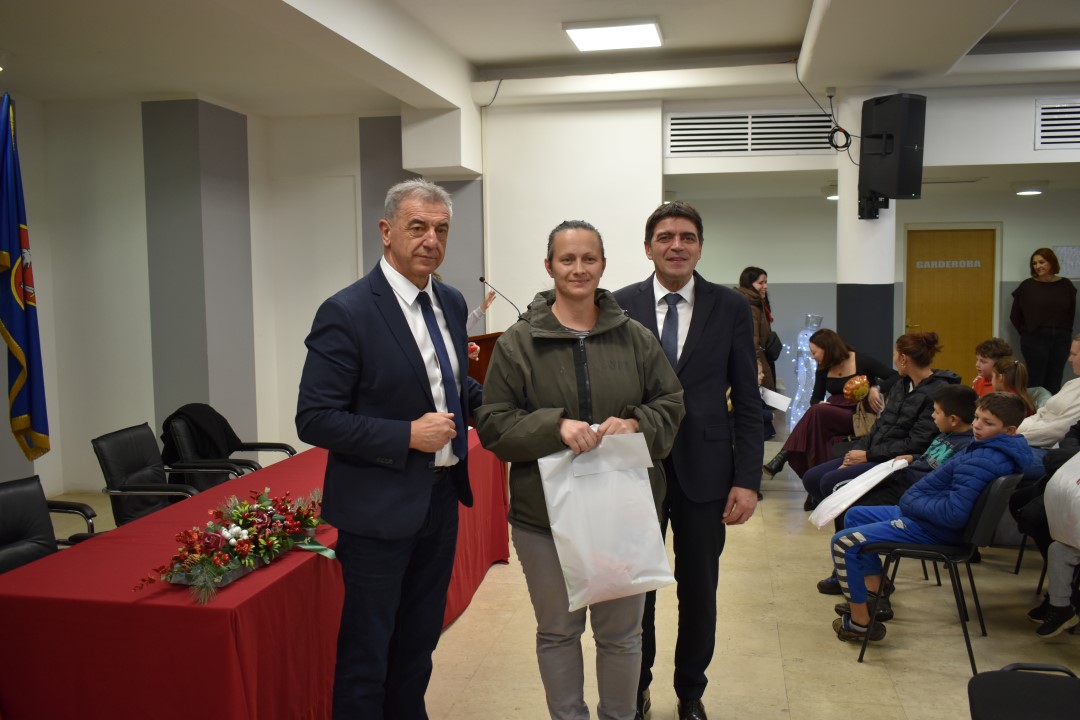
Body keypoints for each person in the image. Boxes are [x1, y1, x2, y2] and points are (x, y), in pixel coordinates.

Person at [476, 220, 685, 720]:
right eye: (567, 259)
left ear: (603, 265)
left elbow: (671, 402)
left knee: (622, 636)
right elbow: (494, 423)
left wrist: (636, 423)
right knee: (558, 632)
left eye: (589, 258)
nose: (578, 269)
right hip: (543, 519)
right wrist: (555, 427)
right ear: (549, 266)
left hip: (623, 513)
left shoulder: (634, 338)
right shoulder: (518, 343)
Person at [295, 179, 483, 719]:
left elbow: (454, 389)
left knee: (418, 642)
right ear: (386, 231)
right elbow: (315, 418)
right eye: (417, 227)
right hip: (377, 509)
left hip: (441, 500)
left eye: (441, 229)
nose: (431, 240)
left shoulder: (449, 301)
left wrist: (517, 411)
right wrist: (405, 435)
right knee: (368, 650)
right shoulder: (347, 311)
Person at [613, 201, 762, 720]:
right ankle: (636, 688)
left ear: (700, 247)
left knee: (700, 591)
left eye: (687, 237)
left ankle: (691, 692)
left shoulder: (730, 306)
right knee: (638, 592)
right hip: (636, 469)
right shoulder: (619, 304)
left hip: (708, 472)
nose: (676, 245)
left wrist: (748, 479)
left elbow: (748, 399)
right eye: (665, 237)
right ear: (648, 247)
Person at [829, 393, 1032, 642]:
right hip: (927, 519)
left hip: (933, 529)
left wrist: (912, 503)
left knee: (843, 543)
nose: (977, 425)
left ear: (1010, 430)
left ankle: (860, 623)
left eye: (988, 423)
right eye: (978, 417)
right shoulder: (987, 449)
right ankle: (875, 592)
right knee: (855, 515)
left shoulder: (984, 460)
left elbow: (954, 513)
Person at [807, 332, 962, 595]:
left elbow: (917, 443)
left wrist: (868, 456)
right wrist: (858, 451)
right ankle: (855, 558)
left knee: (835, 488)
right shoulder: (902, 385)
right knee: (814, 479)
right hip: (877, 453)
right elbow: (881, 426)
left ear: (903, 359)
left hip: (899, 463)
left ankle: (852, 569)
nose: (893, 359)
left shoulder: (936, 392)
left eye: (895, 354)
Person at [833, 384, 977, 533]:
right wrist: (913, 457)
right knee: (842, 496)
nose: (933, 416)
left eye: (937, 412)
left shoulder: (965, 446)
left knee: (848, 509)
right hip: (902, 480)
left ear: (953, 420)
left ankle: (851, 541)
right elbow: (930, 458)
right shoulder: (946, 433)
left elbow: (941, 478)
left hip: (911, 492)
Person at [763, 328, 896, 482]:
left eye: (814, 352)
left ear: (827, 348)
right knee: (816, 425)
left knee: (817, 413)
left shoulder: (861, 360)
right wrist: (820, 404)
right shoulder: (823, 368)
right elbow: (815, 399)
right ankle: (815, 480)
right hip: (832, 412)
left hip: (856, 415)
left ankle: (784, 455)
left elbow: (894, 376)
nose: (812, 357)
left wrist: (876, 388)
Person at [1010, 247, 1077, 394]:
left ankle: (1052, 407)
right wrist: (1029, 333)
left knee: (1055, 379)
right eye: (1034, 263)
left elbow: (1070, 313)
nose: (1038, 266)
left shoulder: (1066, 285)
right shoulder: (1027, 286)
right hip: (1034, 338)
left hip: (1061, 339)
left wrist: (1064, 332)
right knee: (1035, 379)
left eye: (1041, 262)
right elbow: (1015, 316)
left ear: (1051, 262)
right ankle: (1034, 408)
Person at [735, 266, 775, 391]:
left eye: (765, 282)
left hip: (760, 359)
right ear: (749, 284)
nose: (765, 286)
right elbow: (753, 341)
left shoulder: (756, 303)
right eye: (760, 283)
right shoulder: (750, 306)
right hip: (757, 362)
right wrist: (758, 366)